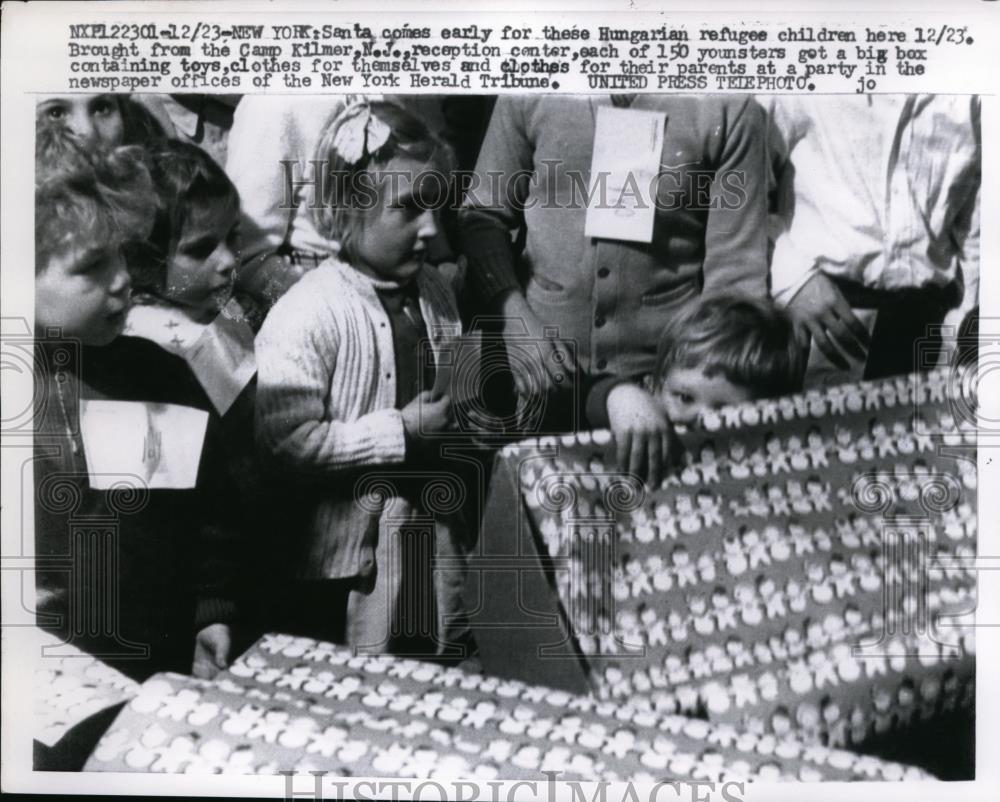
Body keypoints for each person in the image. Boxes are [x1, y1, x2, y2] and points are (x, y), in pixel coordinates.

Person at [254, 100, 467, 656]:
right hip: (336, 572)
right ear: (345, 211)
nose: (430, 230)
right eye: (408, 211)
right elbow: (284, 441)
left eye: (435, 209)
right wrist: (400, 432)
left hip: (422, 544)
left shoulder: (436, 296)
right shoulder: (310, 312)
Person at [33, 126, 241, 682]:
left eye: (123, 255)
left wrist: (210, 612)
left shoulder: (159, 377)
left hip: (158, 657)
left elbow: (208, 512)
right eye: (91, 265)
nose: (124, 279)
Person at [457, 94, 769, 432]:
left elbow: (735, 276)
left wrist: (693, 396)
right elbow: (482, 217)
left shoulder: (728, 107)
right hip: (541, 381)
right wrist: (514, 320)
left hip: (661, 397)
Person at [767, 95, 981, 385]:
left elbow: (977, 218)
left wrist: (964, 327)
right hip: (818, 315)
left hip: (930, 327)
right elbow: (742, 177)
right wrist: (790, 275)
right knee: (811, 427)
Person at [587, 295, 804, 469]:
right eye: (685, 398)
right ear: (655, 386)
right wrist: (618, 396)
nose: (699, 420)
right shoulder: (638, 419)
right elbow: (567, 400)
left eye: (724, 410)